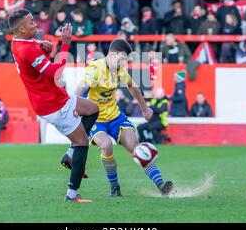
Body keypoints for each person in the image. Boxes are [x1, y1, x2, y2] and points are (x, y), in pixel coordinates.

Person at [62, 39, 174, 197]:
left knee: (136, 147)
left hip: (115, 116)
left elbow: (132, 86)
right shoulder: (95, 69)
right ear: (111, 54)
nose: (123, 63)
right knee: (106, 146)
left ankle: (161, 185)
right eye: (121, 59)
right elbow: (80, 88)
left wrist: (144, 108)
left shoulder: (120, 70)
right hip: (95, 120)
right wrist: (74, 108)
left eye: (125, 60)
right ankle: (114, 187)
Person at [9, 9, 98, 203]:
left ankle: (70, 154)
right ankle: (72, 194)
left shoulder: (18, 41)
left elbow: (33, 53)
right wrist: (64, 45)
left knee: (92, 109)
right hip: (53, 105)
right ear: (22, 29)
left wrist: (44, 48)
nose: (36, 24)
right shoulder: (27, 49)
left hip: (56, 98)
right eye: (31, 22)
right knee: (82, 142)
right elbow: (55, 74)